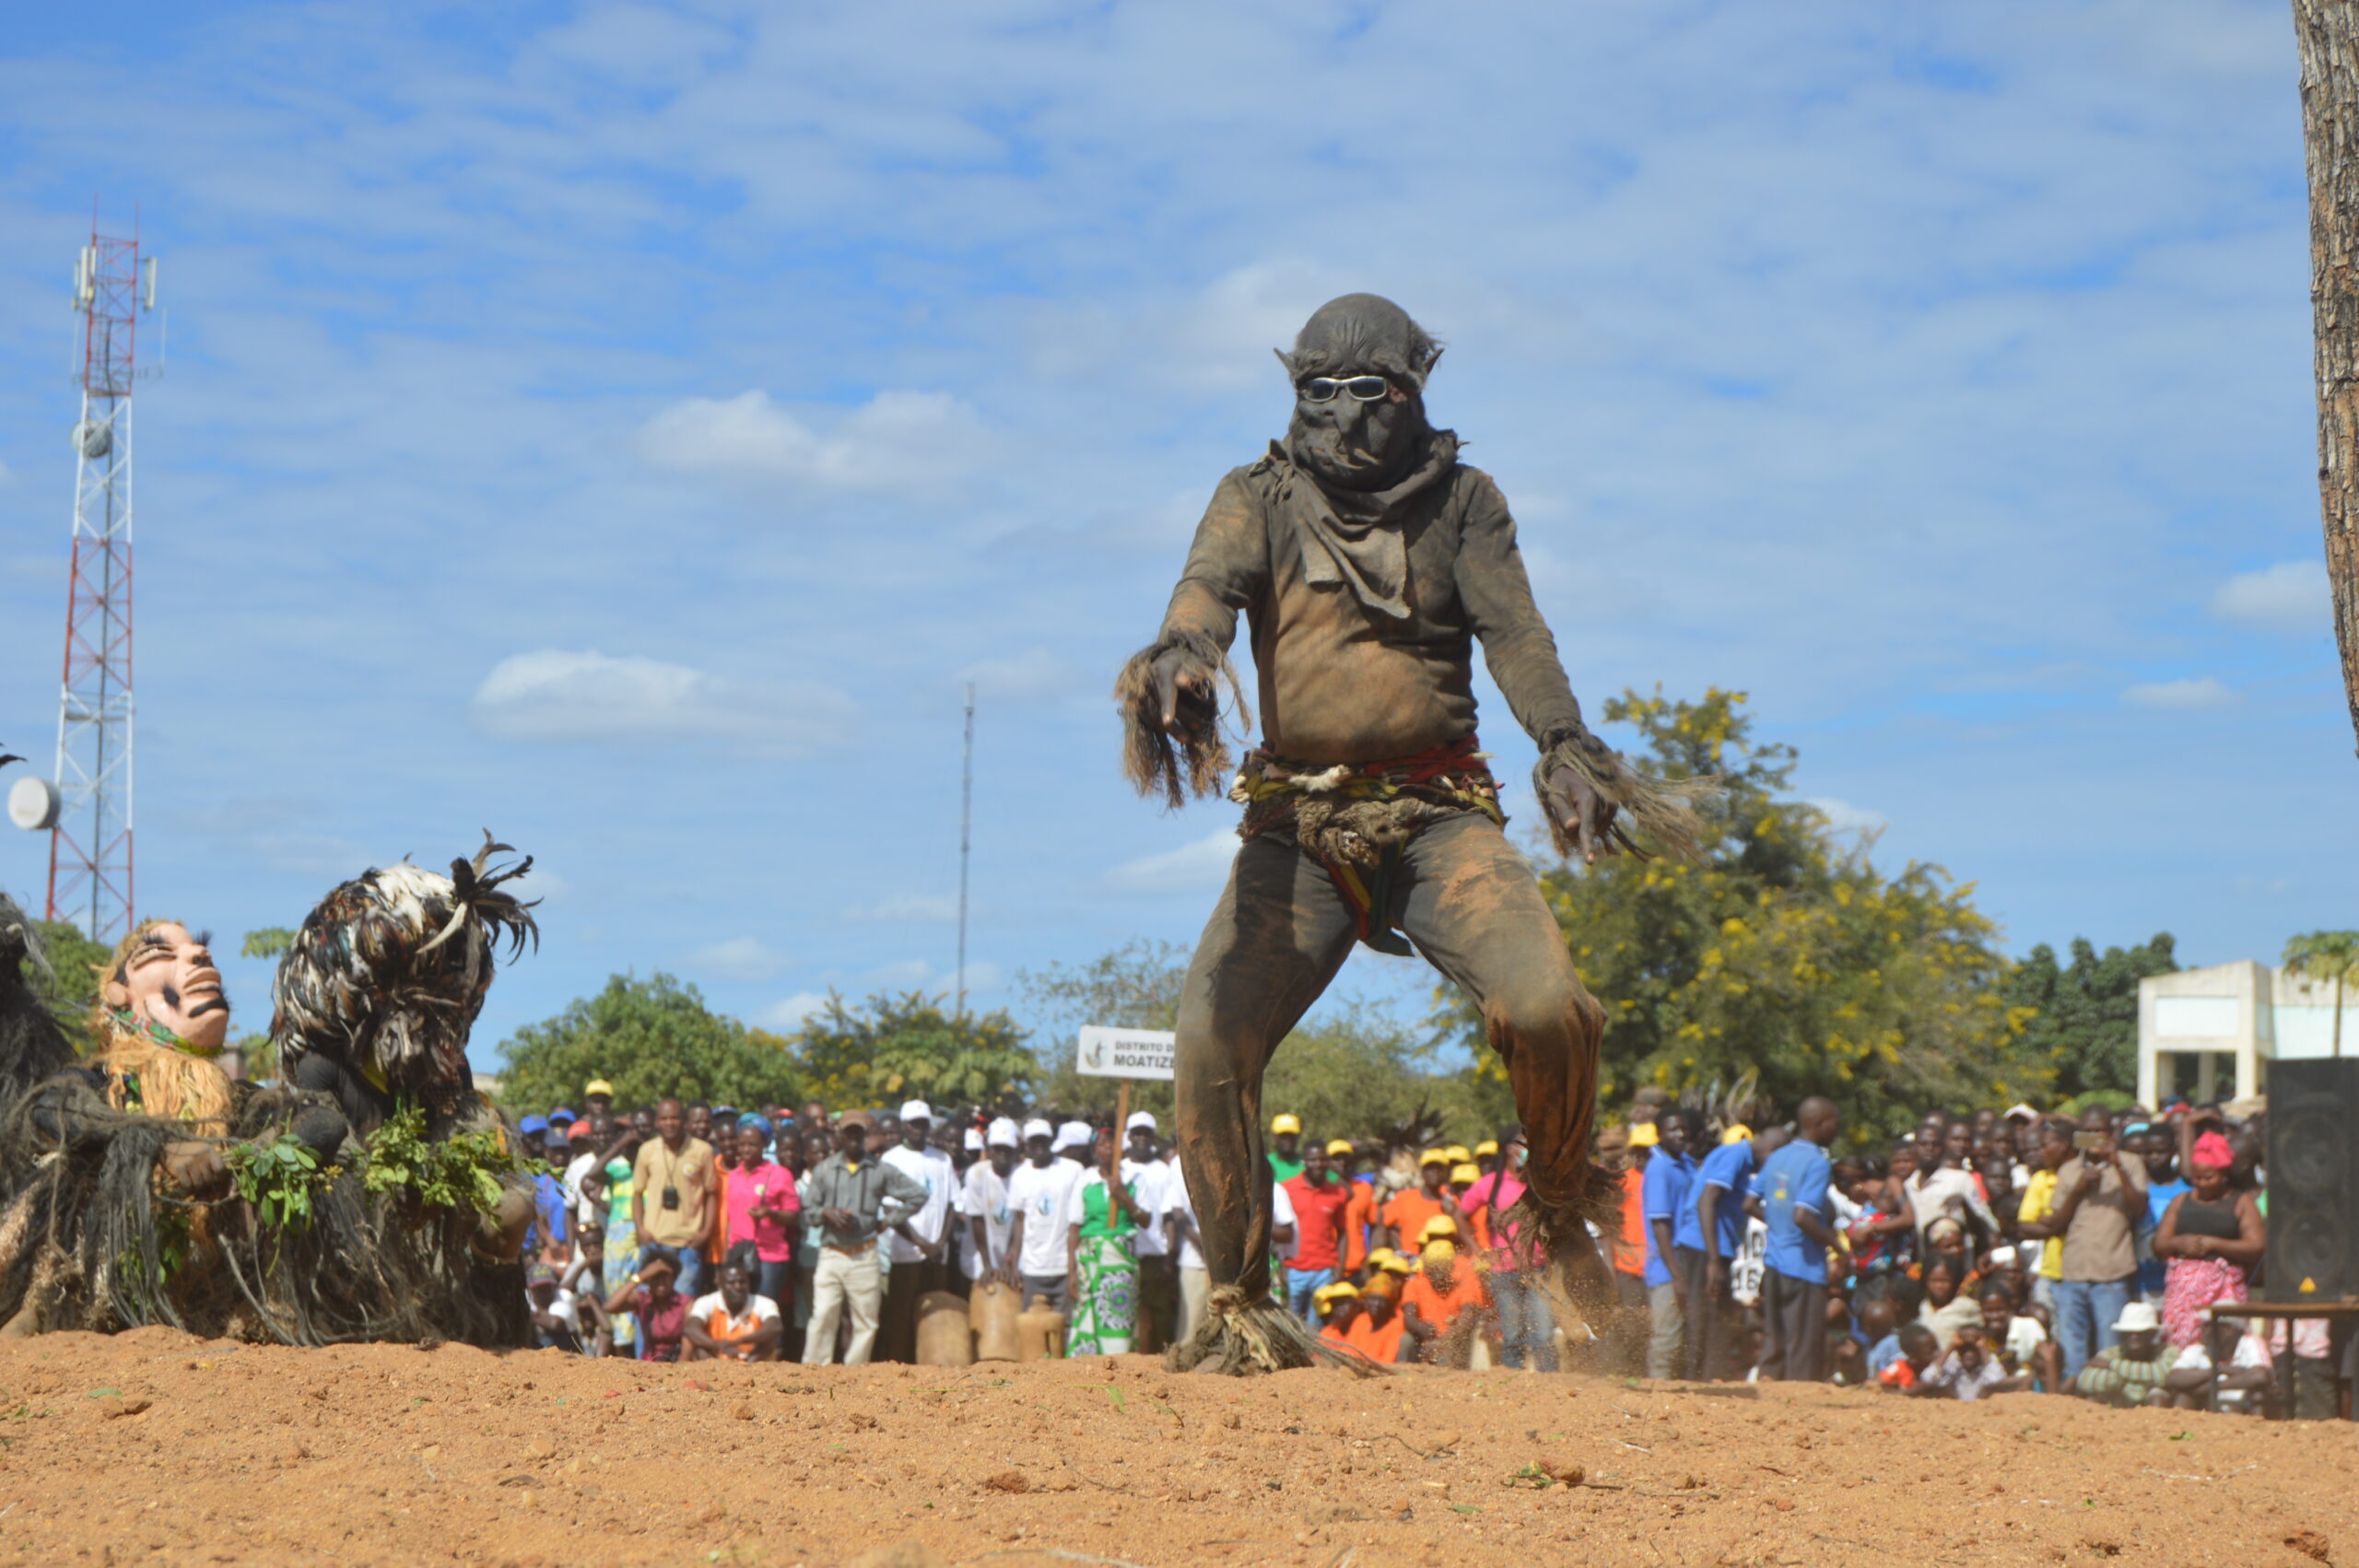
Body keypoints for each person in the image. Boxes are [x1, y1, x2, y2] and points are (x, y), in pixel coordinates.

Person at [1123, 297, 1710, 1373]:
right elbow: (1206, 590)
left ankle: (1556, 1200)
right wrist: (1181, 655)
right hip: (1295, 831)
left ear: (1413, 389)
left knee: (1547, 1007)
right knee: (1210, 1042)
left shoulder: (1464, 503)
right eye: (1317, 392)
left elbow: (1516, 633)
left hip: (1440, 820)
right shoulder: (1254, 495)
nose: (1342, 415)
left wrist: (1565, 742)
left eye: (1368, 392)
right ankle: (1245, 1307)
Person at [799, 1115, 933, 1366]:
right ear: (839, 1135)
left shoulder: (879, 1169)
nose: (852, 1139)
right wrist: (827, 1213)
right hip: (832, 1253)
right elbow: (807, 1212)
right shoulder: (825, 1170)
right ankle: (813, 1372)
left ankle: (856, 1374)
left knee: (866, 1322)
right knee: (823, 1315)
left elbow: (919, 1194)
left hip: (865, 1253)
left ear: (864, 1137)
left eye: (857, 1134)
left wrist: (887, 1222)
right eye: (848, 1134)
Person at [2046, 1107, 2148, 1380]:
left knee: (2110, 1350)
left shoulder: (2131, 1162)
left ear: (2111, 1133)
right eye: (2087, 1132)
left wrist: (2116, 1164)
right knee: (2072, 1350)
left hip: (2111, 1274)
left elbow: (2139, 1208)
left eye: (2099, 1131)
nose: (2093, 1137)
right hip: (2073, 1273)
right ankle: (2074, 1405)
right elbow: (2055, 1225)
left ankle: (2107, 1404)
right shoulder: (2069, 1170)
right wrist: (2078, 1189)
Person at [1678, 1122, 1780, 1381]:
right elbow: (1706, 1200)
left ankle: (1708, 1379)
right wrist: (1713, 1260)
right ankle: (1692, 1382)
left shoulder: (1742, 1161)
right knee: (1703, 1316)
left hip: (1715, 1248)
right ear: (1770, 1151)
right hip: (1702, 1248)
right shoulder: (1734, 1154)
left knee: (1718, 1318)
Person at [2151, 1130, 2262, 1348]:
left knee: (2224, 1344)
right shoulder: (2181, 1201)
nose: (2201, 1183)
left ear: (2224, 1175)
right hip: (2183, 1293)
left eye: (2208, 1177)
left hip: (2224, 1289)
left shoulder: (2242, 1202)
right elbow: (2158, 1244)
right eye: (2196, 1177)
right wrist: (2179, 1243)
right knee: (2181, 1346)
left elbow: (2256, 1246)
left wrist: (2215, 1244)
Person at [1756, 1097, 1838, 1382]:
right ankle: (1800, 1411)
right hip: (1804, 1267)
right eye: (1833, 1123)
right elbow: (1803, 1216)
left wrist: (1778, 1227)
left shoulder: (1777, 1156)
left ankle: (1766, 1404)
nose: (1835, 1130)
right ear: (1819, 1124)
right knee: (1803, 1346)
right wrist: (1839, 1247)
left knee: (1775, 1340)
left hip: (1774, 1262)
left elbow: (1748, 1202)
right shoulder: (1817, 1162)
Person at [1463, 1126, 1555, 1371]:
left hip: (1539, 1270)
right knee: (1513, 1335)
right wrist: (1479, 1249)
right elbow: (1460, 1214)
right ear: (1509, 1148)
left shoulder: (1540, 1183)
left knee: (1543, 1334)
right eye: (1522, 1144)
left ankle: (1553, 1388)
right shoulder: (1490, 1184)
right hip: (1504, 1272)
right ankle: (1513, 1387)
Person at [878, 1100, 957, 1363]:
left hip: (937, 1255)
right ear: (904, 1126)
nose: (919, 1129)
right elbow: (891, 1211)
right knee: (901, 1318)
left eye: (923, 1123)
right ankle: (898, 1368)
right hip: (905, 1253)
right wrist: (922, 1243)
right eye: (914, 1124)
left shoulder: (942, 1158)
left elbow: (951, 1205)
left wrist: (940, 1243)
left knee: (934, 1317)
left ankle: (930, 1366)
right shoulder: (891, 1159)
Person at [1062, 1127, 1151, 1356]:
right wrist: (1071, 1271)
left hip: (1121, 1259)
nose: (1108, 1148)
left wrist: (1124, 1197)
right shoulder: (1085, 1181)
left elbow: (1146, 1220)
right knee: (1088, 1314)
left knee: (1119, 1311)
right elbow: (1074, 1227)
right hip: (1090, 1260)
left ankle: (1120, 1359)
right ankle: (1088, 1364)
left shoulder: (1134, 1180)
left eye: (1113, 1143)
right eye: (1103, 1143)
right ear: (1095, 1149)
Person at [632, 1098, 718, 1296]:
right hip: (654, 1243)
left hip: (688, 1244)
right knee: (646, 1304)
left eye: (674, 1118)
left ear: (685, 1121)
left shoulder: (702, 1150)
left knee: (683, 1306)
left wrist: (705, 1232)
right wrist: (640, 1229)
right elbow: (637, 1193)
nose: (669, 1123)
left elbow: (711, 1194)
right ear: (656, 1122)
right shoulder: (647, 1150)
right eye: (664, 1118)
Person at [718, 1116, 799, 1319]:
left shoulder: (780, 1174)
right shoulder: (734, 1175)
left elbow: (794, 1216)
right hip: (739, 1255)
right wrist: (727, 1256)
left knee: (764, 1313)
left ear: (765, 1144)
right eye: (742, 1144)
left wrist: (771, 1213)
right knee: (740, 1313)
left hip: (769, 1256)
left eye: (752, 1144)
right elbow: (730, 1218)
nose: (746, 1149)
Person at [1641, 1107, 1699, 1378]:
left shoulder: (1686, 1162)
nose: (1680, 1134)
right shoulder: (1660, 1168)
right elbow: (1660, 1225)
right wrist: (1677, 1275)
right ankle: (1658, 1393)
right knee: (1667, 1337)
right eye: (1673, 1129)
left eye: (1684, 1128)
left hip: (1687, 1262)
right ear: (1659, 1134)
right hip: (1668, 1267)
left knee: (1686, 1338)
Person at [1004, 1119, 1085, 1313]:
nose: (1039, 1145)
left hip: (1065, 1266)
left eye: (1043, 1140)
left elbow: (1080, 1218)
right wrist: (1014, 1264)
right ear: (1027, 1146)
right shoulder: (1019, 1176)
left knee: (1066, 1326)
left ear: (1051, 1141)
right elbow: (1019, 1222)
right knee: (1033, 1327)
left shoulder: (1073, 1170)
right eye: (1034, 1141)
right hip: (1033, 1268)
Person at [1121, 1113, 1179, 1352]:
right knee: (1128, 1316)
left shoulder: (1163, 1171)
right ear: (1130, 1136)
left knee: (1160, 1317)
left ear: (1153, 1137)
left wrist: (1169, 1258)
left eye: (1146, 1133)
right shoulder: (1119, 1169)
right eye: (1137, 1133)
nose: (1142, 1138)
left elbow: (1169, 1217)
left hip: (1155, 1254)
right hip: (1124, 1254)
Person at [1280, 1144, 1353, 1325]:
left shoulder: (1338, 1193)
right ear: (1304, 1161)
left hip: (1324, 1271)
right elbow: (1277, 1230)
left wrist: (1340, 1267)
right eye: (1312, 1160)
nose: (1318, 1164)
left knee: (1316, 1328)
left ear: (1328, 1162)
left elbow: (1343, 1232)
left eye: (1322, 1159)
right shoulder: (1286, 1189)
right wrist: (1281, 1266)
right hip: (1294, 1268)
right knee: (1290, 1324)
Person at [2159, 1301, 2272, 1413]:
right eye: (2203, 1325)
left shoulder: (2251, 1342)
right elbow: (2173, 1378)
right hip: (2208, 1408)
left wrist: (2212, 1387)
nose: (2202, 1330)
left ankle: (2257, 1427)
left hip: (2243, 1407)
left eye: (2209, 1325)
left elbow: (2260, 1376)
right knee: (2185, 1395)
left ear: (2229, 1329)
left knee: (2259, 1394)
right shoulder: (2198, 1349)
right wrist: (2219, 1371)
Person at [1400, 1232, 1490, 1366]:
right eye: (1433, 1268)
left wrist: (1443, 1342)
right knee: (1406, 1340)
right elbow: (1409, 1318)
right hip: (1426, 1339)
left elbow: (1467, 1318)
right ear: (1426, 1269)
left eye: (1441, 1267)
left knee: (1453, 1345)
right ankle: (1404, 1376)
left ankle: (1446, 1380)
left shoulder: (1464, 1283)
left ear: (1450, 1268)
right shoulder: (1415, 1284)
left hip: (1454, 1339)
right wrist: (1421, 1328)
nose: (1437, 1272)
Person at [2071, 1301, 2178, 1408]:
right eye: (2128, 1332)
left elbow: (2165, 1373)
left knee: (2158, 1397)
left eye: (2140, 1332)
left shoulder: (2168, 1351)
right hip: (2118, 1405)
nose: (2133, 1336)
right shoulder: (2110, 1353)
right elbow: (2085, 1380)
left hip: (2150, 1406)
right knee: (2093, 1401)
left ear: (2152, 1334)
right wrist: (2142, 1380)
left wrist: (2113, 1365)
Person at [2013, 1119, 2071, 1313]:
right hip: (2050, 1271)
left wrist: (2051, 1222)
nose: (2040, 1152)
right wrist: (2059, 1226)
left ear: (2062, 1147)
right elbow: (2024, 1226)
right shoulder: (2040, 1178)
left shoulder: (2082, 1177)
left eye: (2044, 1146)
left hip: (2078, 1273)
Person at [963, 1117, 1022, 1291]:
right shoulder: (977, 1174)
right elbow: (977, 1221)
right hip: (982, 1253)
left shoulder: (1022, 1175)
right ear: (989, 1150)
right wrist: (987, 1264)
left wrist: (1010, 1258)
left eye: (1007, 1149)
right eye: (997, 1148)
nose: (1002, 1153)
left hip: (1015, 1253)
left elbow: (1021, 1220)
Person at [684, 1260, 783, 1363]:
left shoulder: (764, 1303)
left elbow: (775, 1327)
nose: (738, 1287)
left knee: (768, 1344)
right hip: (715, 1360)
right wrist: (719, 1345)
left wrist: (740, 1341)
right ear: (720, 1284)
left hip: (752, 1361)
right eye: (731, 1283)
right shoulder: (706, 1302)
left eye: (742, 1282)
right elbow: (690, 1328)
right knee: (699, 1346)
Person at [604, 1252, 687, 1363]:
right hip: (648, 1365)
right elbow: (610, 1306)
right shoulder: (643, 1299)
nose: (661, 1281)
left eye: (665, 1276)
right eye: (655, 1277)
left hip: (678, 1364)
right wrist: (641, 1276)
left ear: (674, 1278)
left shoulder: (685, 1303)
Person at [1380, 1150, 1455, 1255]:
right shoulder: (1405, 1198)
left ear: (1445, 1172)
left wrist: (1451, 1213)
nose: (1435, 1171)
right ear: (1422, 1172)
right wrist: (1397, 1251)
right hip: (1409, 1264)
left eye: (1439, 1168)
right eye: (1430, 1168)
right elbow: (1383, 1224)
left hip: (1440, 1265)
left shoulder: (1450, 1202)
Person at [1915, 1257, 1979, 1353]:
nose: (1939, 1286)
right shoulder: (1924, 1306)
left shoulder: (1967, 1306)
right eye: (1934, 1281)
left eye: (1944, 1281)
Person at [1344, 1271, 1407, 1364]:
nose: (1376, 1304)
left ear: (1390, 1304)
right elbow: (1348, 1352)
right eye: (1373, 1299)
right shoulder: (1361, 1320)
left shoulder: (1397, 1323)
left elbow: (1388, 1361)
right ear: (1366, 1301)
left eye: (1382, 1300)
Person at [525, 1262, 582, 1353]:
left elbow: (555, 1324)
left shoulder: (564, 1295)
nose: (545, 1292)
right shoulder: (525, 1297)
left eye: (548, 1287)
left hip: (567, 1348)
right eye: (540, 1288)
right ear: (530, 1289)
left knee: (549, 1337)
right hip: (535, 1347)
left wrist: (528, 1314)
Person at [1267, 1114, 1306, 1184]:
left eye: (1291, 1136)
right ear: (1273, 1137)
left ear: (1298, 1137)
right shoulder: (1266, 1163)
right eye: (1283, 1136)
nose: (1288, 1140)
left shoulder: (1309, 1163)